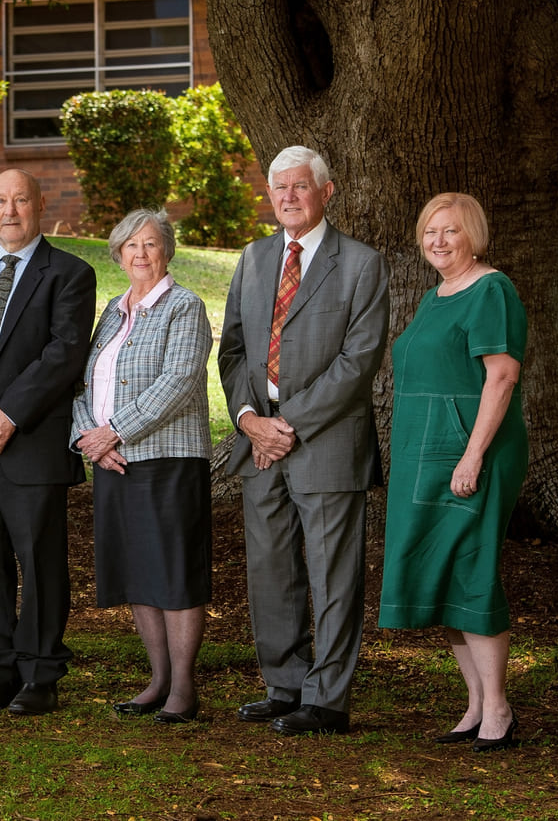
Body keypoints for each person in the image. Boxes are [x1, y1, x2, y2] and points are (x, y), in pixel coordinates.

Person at [218, 145, 390, 735]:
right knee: (271, 570)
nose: (288, 197)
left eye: (300, 187)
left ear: (326, 192)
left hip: (326, 442)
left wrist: (285, 424)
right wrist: (248, 419)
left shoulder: (362, 264)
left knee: (332, 573)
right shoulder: (255, 258)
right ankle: (284, 684)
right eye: (278, 188)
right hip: (257, 440)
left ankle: (328, 698)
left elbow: (358, 359)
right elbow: (234, 350)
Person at [0, 169, 96, 716]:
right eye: (0, 200)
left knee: (40, 560)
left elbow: (64, 353)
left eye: (20, 200)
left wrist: (7, 415)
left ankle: (41, 673)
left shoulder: (69, 274)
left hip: (30, 443)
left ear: (39, 205)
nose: (10, 211)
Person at [379, 193, 527, 752]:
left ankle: (500, 708)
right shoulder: (433, 295)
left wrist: (472, 455)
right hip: (424, 454)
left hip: (472, 452)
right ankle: (475, 703)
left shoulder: (493, 290)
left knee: (471, 570)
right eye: (430, 232)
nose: (439, 241)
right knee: (438, 575)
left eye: (452, 232)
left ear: (475, 236)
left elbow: (502, 377)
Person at [71, 210, 213, 724]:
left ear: (167, 250)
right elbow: (83, 383)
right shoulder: (112, 309)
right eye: (130, 245)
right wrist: (90, 440)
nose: (140, 253)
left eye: (150, 244)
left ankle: (183, 687)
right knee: (137, 574)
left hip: (168, 460)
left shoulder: (185, 307)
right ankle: (157, 680)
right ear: (118, 252)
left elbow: (176, 383)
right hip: (113, 462)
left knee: (173, 573)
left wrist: (115, 432)